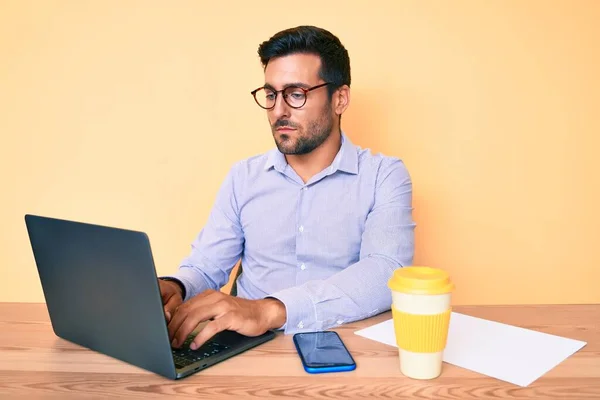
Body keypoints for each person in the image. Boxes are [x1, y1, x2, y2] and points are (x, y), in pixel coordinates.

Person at [160, 25, 416, 351]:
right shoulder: (244, 176)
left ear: (340, 98)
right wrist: (176, 286)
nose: (279, 110)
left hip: (345, 349)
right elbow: (206, 266)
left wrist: (269, 310)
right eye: (271, 94)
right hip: (245, 353)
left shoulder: (384, 175)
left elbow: (386, 273)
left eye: (296, 93)